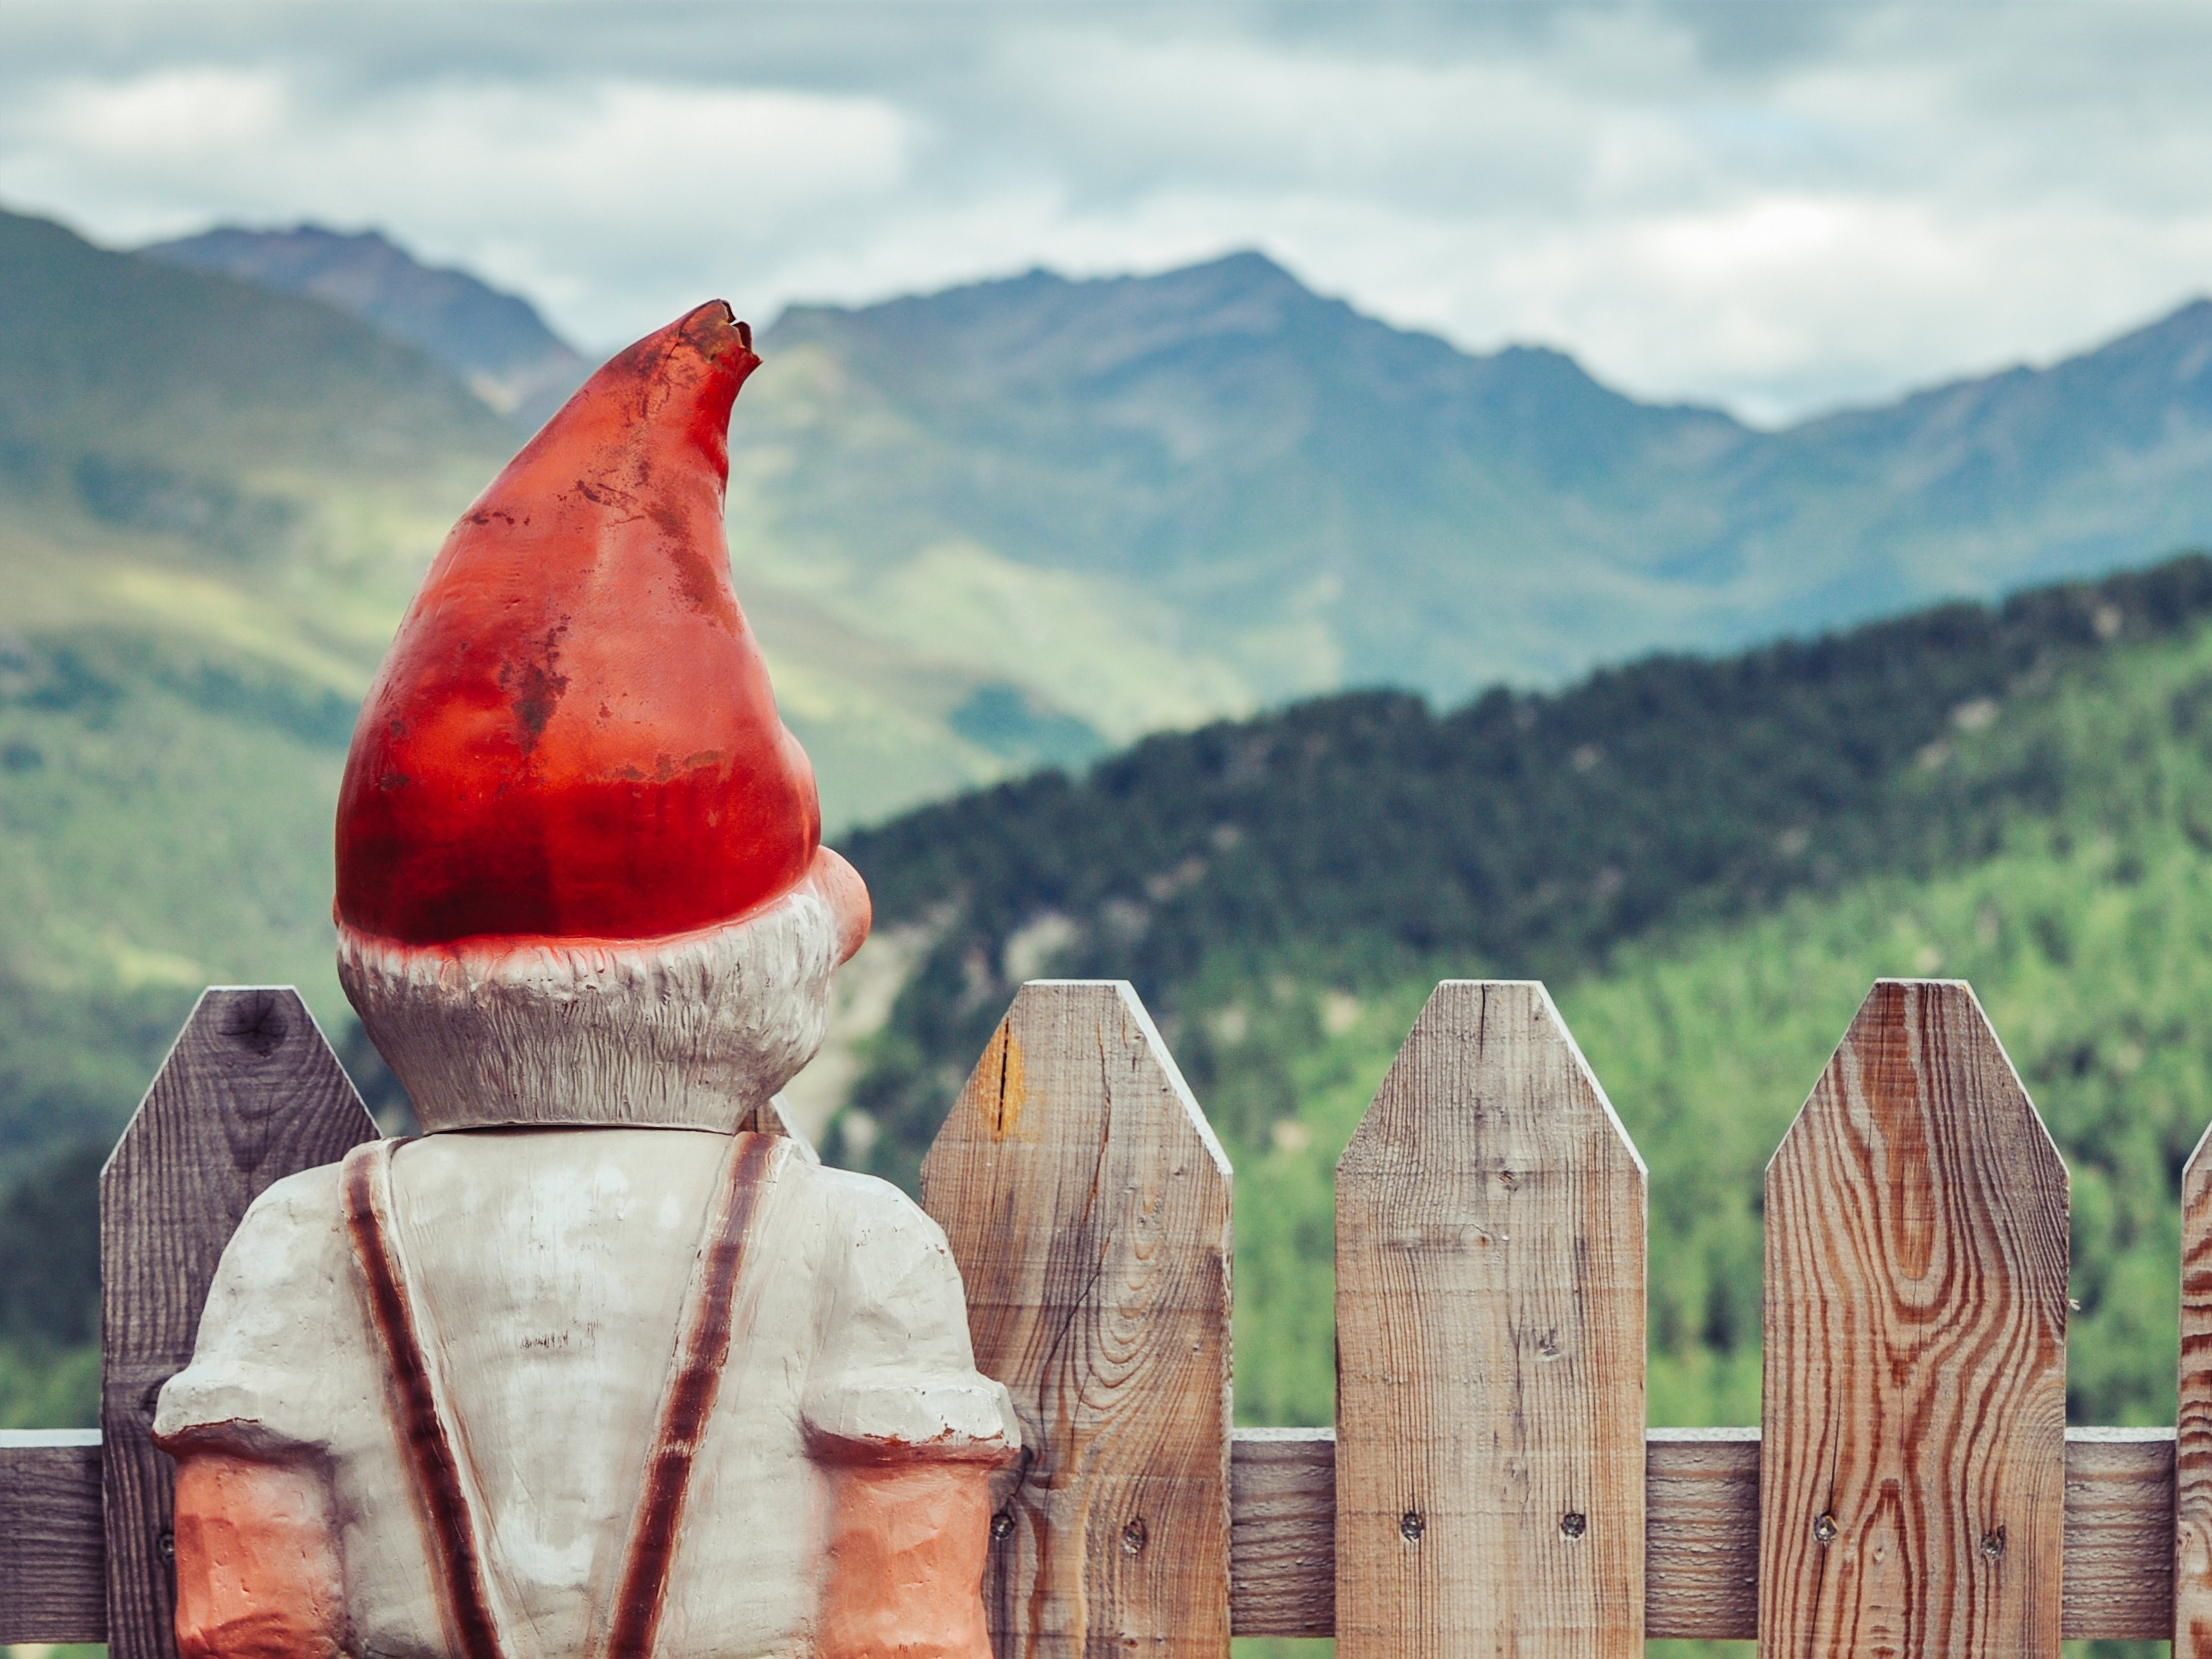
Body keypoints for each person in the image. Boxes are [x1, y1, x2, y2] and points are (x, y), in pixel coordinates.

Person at [152, 302, 1018, 1659]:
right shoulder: (861, 1248)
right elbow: (903, 1625)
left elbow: (246, 1620)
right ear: (761, 959)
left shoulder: (299, 1247)